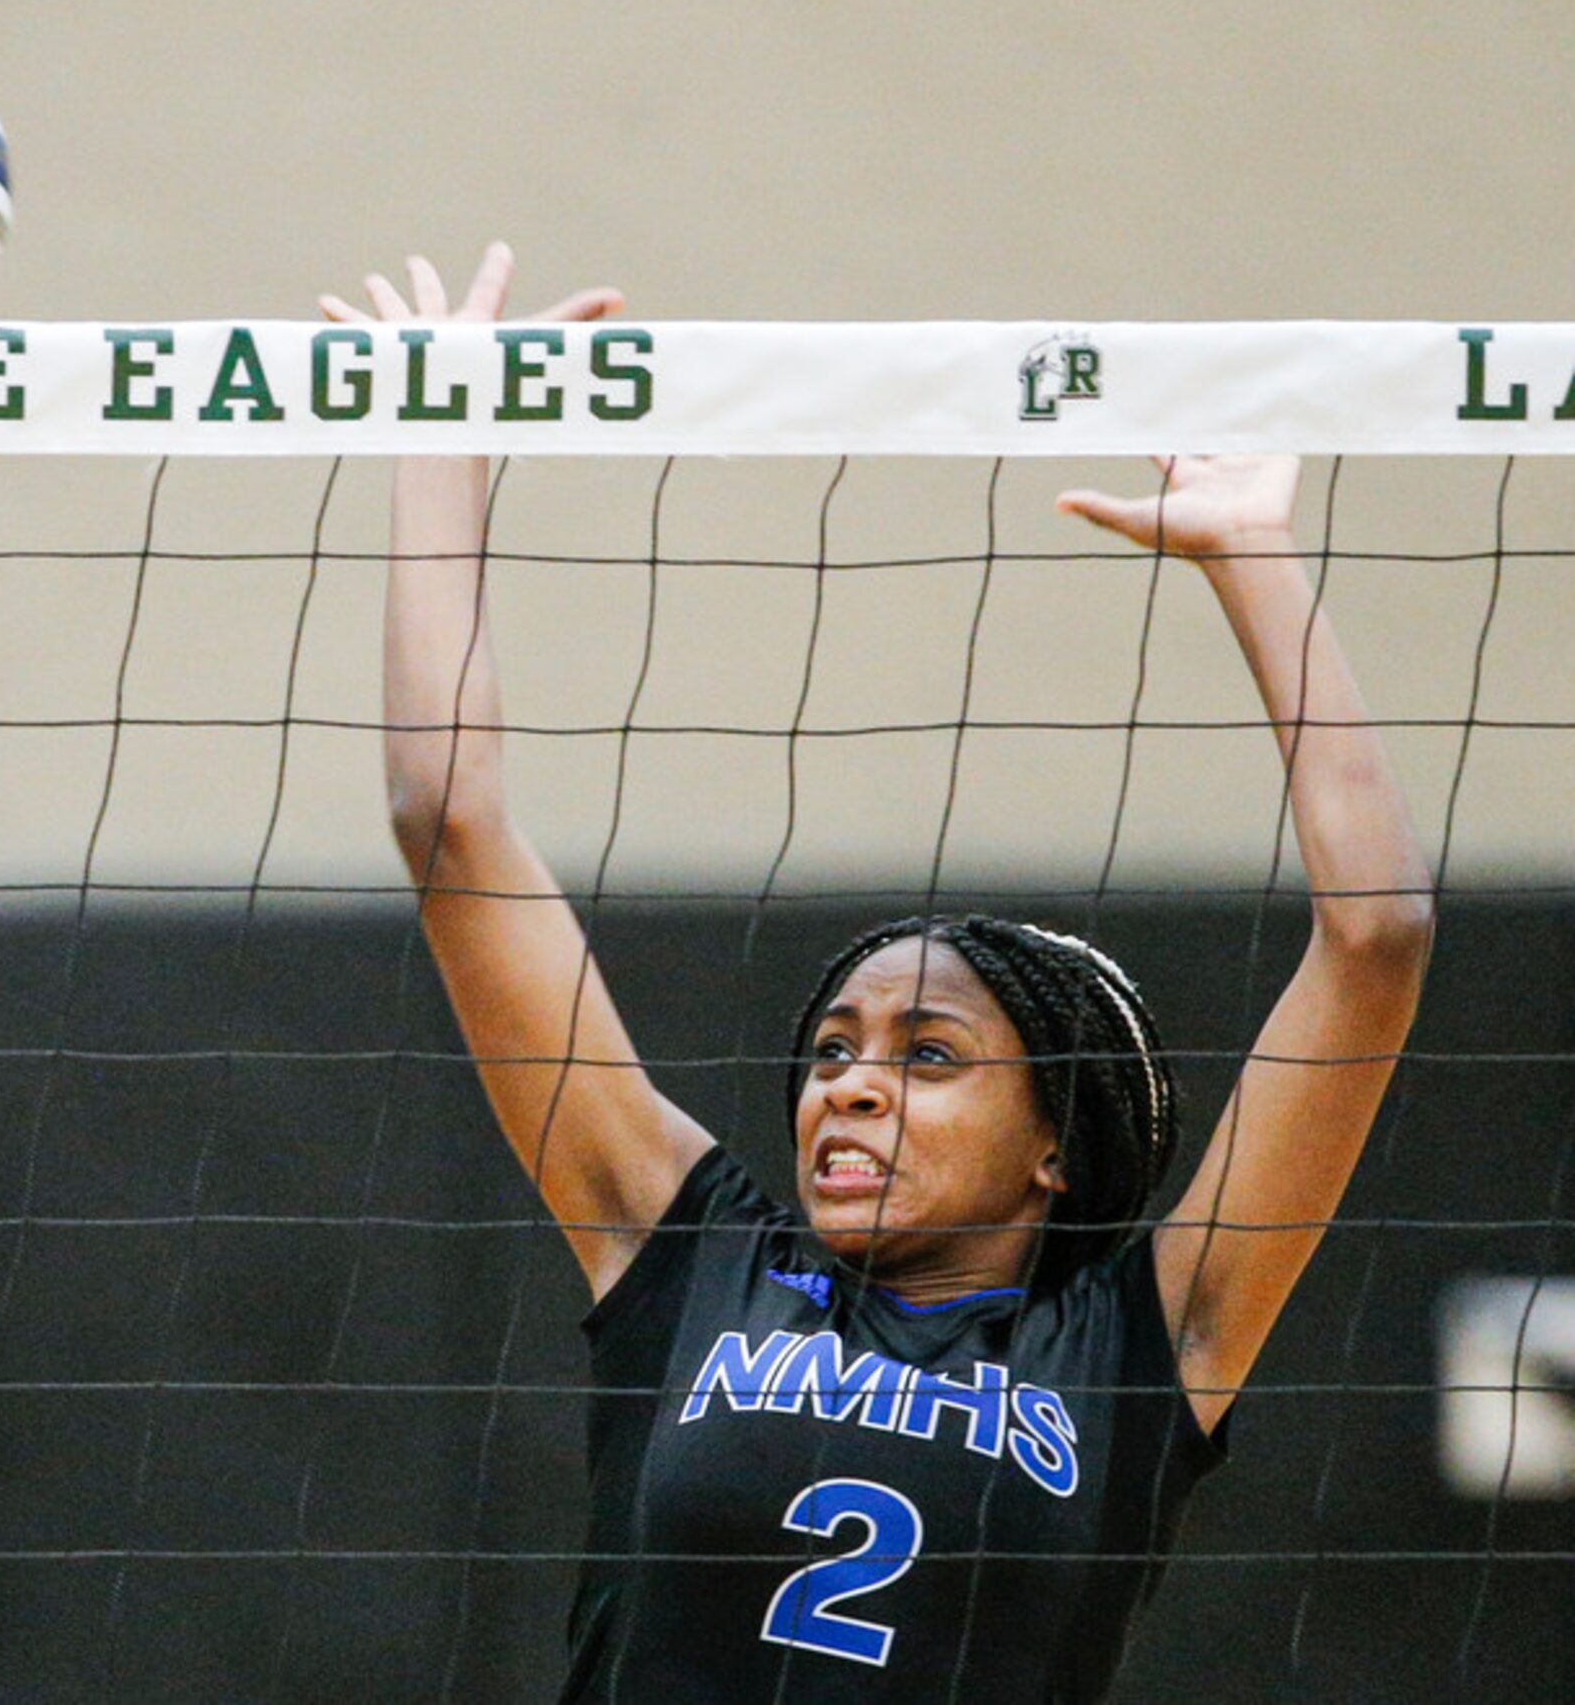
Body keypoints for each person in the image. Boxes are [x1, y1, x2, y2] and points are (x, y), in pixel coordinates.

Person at [334, 244, 1435, 1700]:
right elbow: (448, 823)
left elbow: (1376, 938)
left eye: (926, 1054)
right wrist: (439, 444)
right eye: (835, 1049)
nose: (849, 1083)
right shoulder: (694, 1259)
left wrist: (1252, 560)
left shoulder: (1130, 1346)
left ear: (1052, 1148)